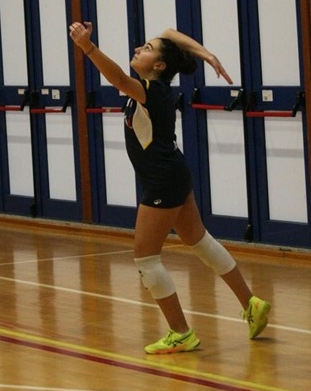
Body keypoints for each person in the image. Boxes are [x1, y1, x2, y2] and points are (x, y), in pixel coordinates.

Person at [69, 21, 271, 355]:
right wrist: (207, 55)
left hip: (164, 180)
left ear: (159, 66)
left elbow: (117, 78)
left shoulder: (151, 90)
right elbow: (169, 31)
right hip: (174, 174)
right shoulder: (153, 87)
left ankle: (181, 333)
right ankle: (252, 303)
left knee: (146, 258)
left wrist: (88, 47)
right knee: (200, 241)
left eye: (147, 49)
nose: (138, 49)